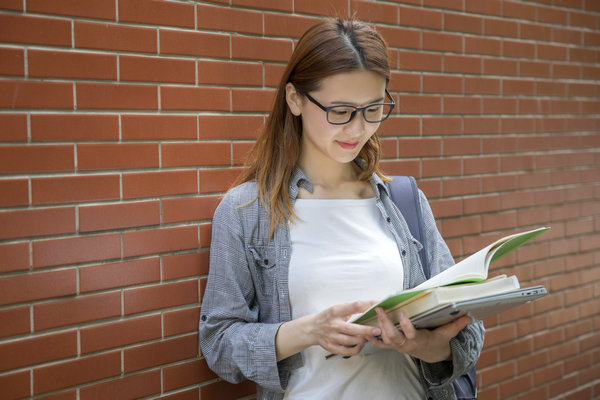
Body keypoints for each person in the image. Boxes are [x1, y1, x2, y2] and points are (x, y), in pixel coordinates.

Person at [199, 17, 484, 400]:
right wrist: (308, 332)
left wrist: (427, 347)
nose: (357, 128)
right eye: (340, 110)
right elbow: (219, 343)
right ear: (295, 99)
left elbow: (467, 333)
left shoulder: (404, 202)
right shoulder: (247, 210)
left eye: (373, 109)